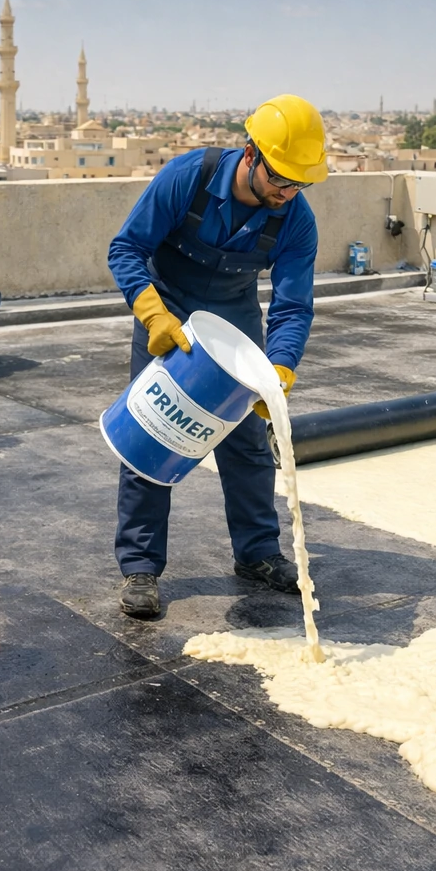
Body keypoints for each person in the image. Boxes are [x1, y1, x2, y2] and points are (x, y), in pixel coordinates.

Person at [107, 94, 325, 618]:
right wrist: (153, 316)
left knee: (247, 441)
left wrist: (280, 369)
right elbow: (126, 249)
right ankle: (140, 567)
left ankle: (256, 554)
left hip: (233, 322)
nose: (287, 192)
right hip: (169, 315)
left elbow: (293, 306)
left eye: (299, 182)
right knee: (153, 432)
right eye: (280, 179)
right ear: (251, 155)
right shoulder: (189, 176)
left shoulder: (295, 220)